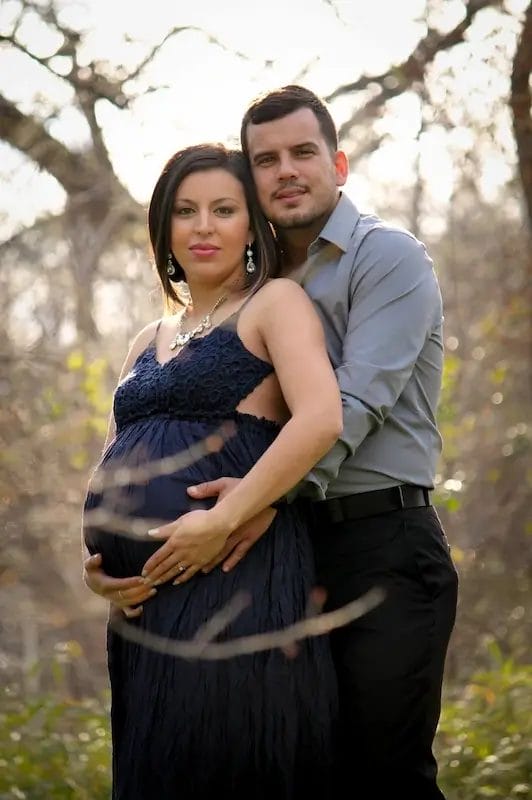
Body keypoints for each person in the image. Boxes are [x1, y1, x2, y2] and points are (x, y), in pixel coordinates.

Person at [85, 86, 459, 798]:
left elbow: (350, 406)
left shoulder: (384, 258)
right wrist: (102, 557)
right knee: (307, 765)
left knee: (384, 774)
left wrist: (258, 502)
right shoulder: (262, 279)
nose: (286, 171)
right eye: (266, 159)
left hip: (380, 538)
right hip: (284, 548)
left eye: (303, 153)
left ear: (338, 163)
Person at [81, 142, 343, 799]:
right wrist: (98, 568)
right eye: (186, 211)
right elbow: (114, 459)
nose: (203, 226)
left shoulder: (274, 304)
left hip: (233, 583)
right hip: (143, 612)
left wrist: (223, 518)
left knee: (228, 763)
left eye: (223, 210)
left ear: (252, 226)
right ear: (164, 228)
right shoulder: (146, 340)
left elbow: (320, 419)